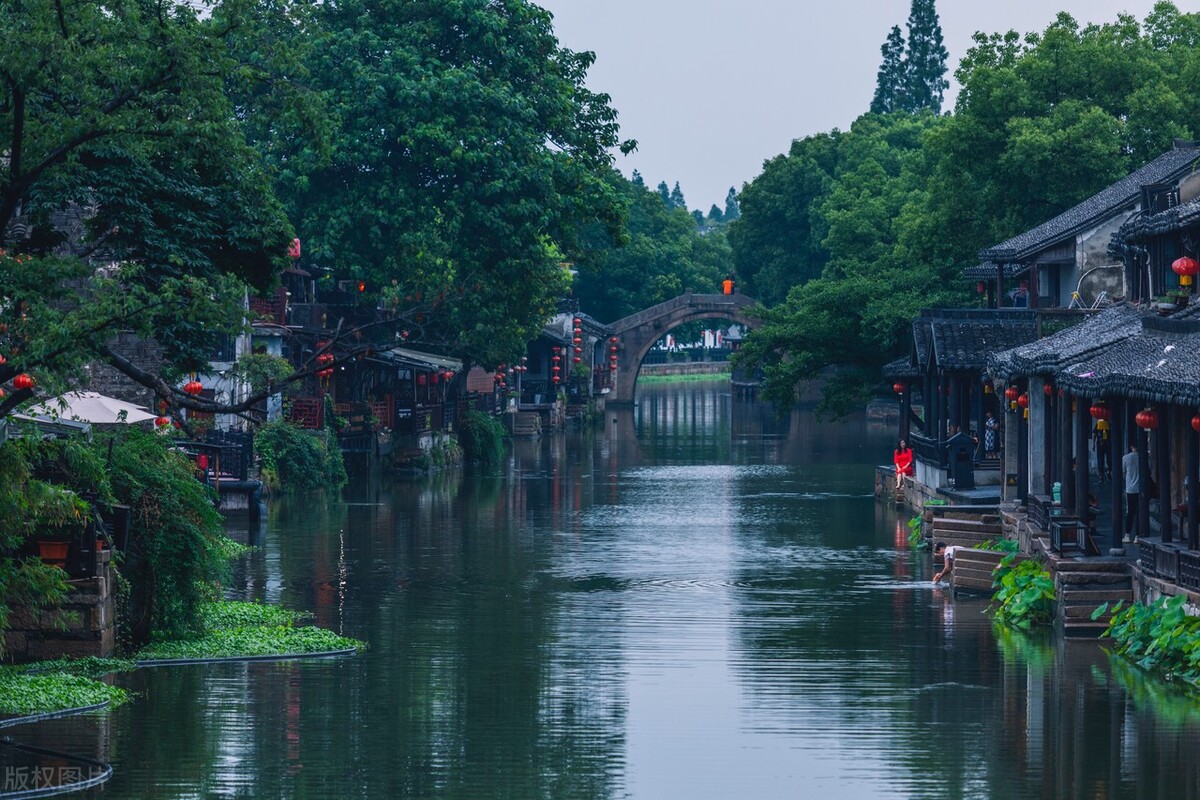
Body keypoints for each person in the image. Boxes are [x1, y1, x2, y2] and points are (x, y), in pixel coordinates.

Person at [1123, 442, 1141, 534]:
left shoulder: (1126, 458)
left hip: (1129, 488)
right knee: (1139, 512)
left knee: (1129, 512)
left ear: (1131, 446)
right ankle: (1138, 535)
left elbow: (1123, 470)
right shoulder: (1144, 457)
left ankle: (1127, 534)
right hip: (1140, 488)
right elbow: (1149, 469)